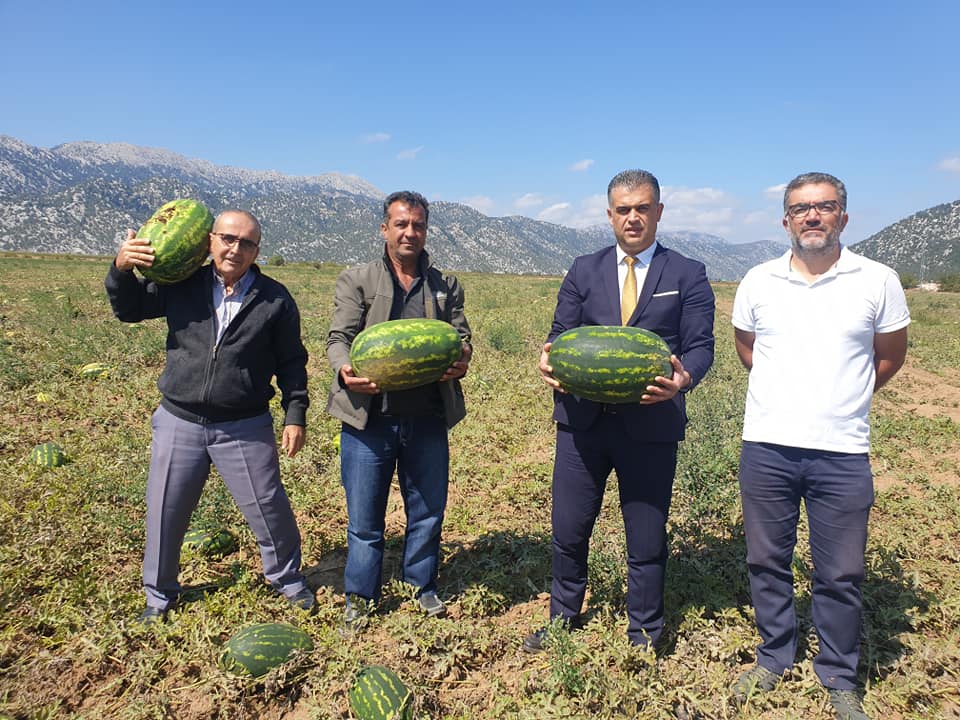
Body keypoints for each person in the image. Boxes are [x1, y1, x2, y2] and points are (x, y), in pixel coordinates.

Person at [730, 173, 909, 720]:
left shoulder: (877, 280)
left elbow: (890, 356)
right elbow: (746, 349)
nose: (812, 216)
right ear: (785, 220)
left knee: (840, 570)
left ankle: (838, 672)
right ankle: (774, 654)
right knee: (766, 560)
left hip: (842, 450)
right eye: (800, 208)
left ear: (843, 218)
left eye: (824, 207)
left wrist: (841, 397)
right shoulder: (758, 281)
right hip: (766, 446)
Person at [527, 169, 716, 652]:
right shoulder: (582, 269)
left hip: (651, 424)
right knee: (569, 530)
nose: (633, 218)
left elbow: (700, 347)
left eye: (643, 208)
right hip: (582, 424)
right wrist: (549, 360)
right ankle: (563, 618)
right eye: (623, 209)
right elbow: (559, 334)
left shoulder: (687, 273)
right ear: (610, 215)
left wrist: (683, 380)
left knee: (646, 538)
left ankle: (645, 632)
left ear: (658, 211)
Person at [105, 209, 314, 624]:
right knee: (166, 508)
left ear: (258, 250)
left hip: (244, 423)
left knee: (268, 504)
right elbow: (128, 309)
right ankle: (159, 594)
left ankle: (287, 578)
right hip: (178, 419)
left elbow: (292, 361)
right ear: (210, 241)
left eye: (247, 243)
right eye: (228, 239)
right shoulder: (182, 284)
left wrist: (295, 413)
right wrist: (121, 269)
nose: (236, 249)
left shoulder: (274, 298)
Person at [325, 190, 472, 627]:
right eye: (402, 224)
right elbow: (338, 338)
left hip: (426, 416)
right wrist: (345, 369)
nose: (411, 232)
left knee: (427, 511)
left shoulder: (445, 285)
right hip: (369, 418)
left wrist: (462, 359)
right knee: (365, 517)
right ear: (385, 229)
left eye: (419, 225)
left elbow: (461, 339)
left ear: (426, 231)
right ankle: (360, 595)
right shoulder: (358, 279)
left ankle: (421, 585)